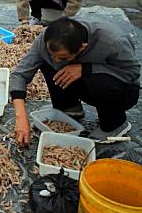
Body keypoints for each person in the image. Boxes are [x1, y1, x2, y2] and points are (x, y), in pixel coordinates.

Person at [10, 17, 140, 147]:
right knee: (46, 61)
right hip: (83, 81)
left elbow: (132, 73)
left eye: (63, 57)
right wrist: (21, 117)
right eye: (52, 54)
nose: (56, 60)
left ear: (82, 47)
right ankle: (68, 107)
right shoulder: (47, 39)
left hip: (120, 89)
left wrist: (87, 69)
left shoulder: (112, 41)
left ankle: (115, 124)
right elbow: (20, 74)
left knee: (98, 81)